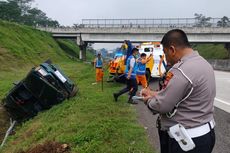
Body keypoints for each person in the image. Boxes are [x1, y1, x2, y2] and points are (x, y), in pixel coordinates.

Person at [140, 29, 216, 153]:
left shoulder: (181, 71)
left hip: (187, 140)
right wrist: (155, 93)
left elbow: (162, 105)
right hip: (207, 133)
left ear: (172, 50)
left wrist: (148, 100)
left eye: (165, 53)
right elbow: (185, 94)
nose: (166, 58)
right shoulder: (204, 64)